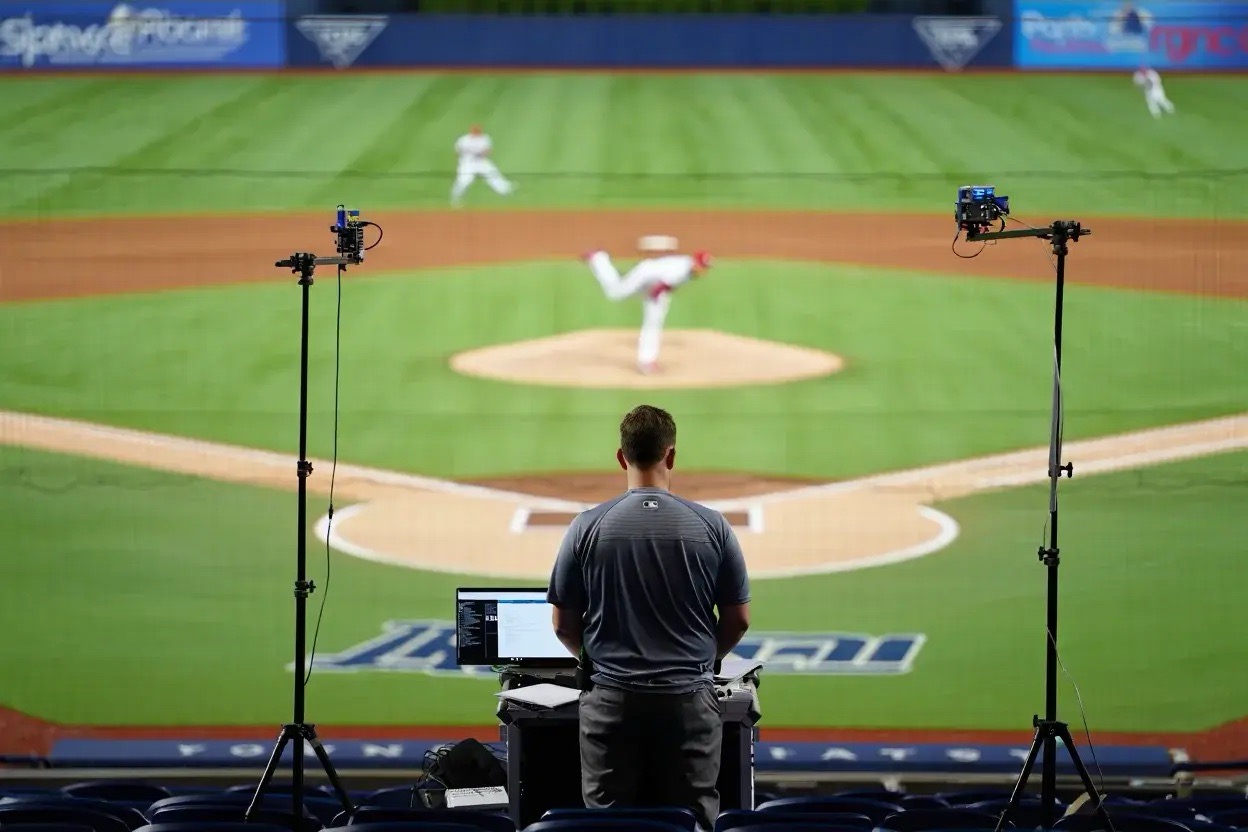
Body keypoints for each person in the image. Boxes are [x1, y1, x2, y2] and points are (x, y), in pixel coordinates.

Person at [546, 404, 751, 831]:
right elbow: (739, 620)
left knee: (609, 828)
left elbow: (563, 624)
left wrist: (592, 663)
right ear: (671, 456)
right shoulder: (712, 526)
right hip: (689, 706)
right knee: (690, 823)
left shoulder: (586, 527)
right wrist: (702, 662)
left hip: (611, 706)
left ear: (621, 457)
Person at [582, 249, 714, 374]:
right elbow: (658, 289)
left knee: (654, 320)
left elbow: (666, 287)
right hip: (645, 275)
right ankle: (598, 258)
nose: (702, 270)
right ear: (694, 261)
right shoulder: (680, 270)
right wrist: (652, 299)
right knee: (615, 293)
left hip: (656, 282)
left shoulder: (690, 271)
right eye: (701, 265)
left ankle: (647, 361)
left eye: (704, 267)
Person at [450, 124, 515, 206]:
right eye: (475, 131)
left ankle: (504, 189)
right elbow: (457, 151)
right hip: (468, 163)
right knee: (465, 180)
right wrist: (463, 160)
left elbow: (488, 151)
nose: (477, 133)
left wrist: (480, 154)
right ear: (472, 131)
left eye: (478, 131)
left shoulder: (485, 138)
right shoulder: (464, 139)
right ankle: (456, 196)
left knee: (492, 172)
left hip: (481, 162)